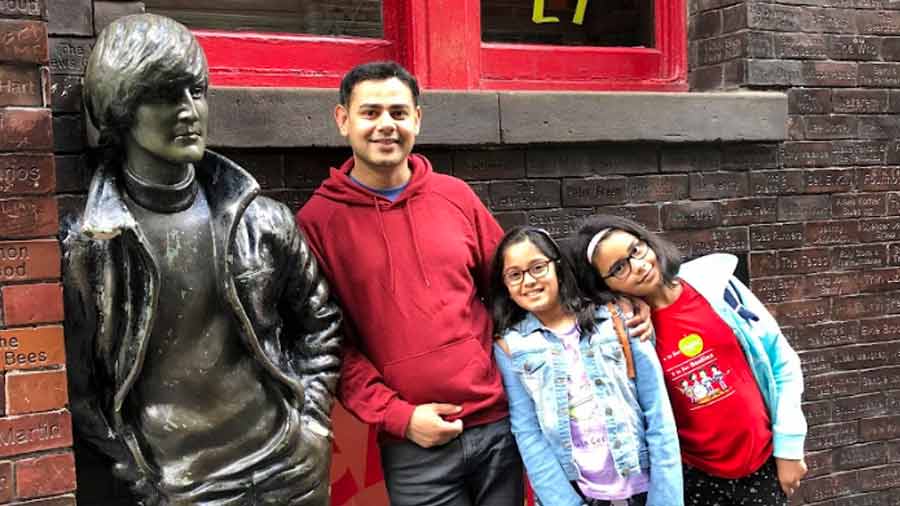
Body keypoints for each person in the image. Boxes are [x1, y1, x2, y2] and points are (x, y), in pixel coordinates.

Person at [63, 14, 342, 505]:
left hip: (289, 466)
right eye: (167, 95)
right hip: (185, 488)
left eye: (196, 91)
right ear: (121, 110)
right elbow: (84, 392)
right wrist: (140, 478)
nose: (190, 110)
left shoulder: (262, 221)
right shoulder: (91, 249)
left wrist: (313, 424)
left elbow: (321, 323)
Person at [572, 215, 808, 506]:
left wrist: (789, 446)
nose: (639, 265)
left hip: (762, 463)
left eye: (636, 249)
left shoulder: (719, 288)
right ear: (603, 284)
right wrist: (613, 308)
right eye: (619, 268)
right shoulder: (624, 329)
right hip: (690, 479)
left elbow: (781, 362)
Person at [489, 226, 683, 506]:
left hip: (644, 486)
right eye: (515, 275)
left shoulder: (617, 317)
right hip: (579, 492)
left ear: (557, 267)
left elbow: (658, 412)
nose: (529, 281)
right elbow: (527, 432)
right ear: (505, 285)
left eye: (538, 267)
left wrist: (666, 498)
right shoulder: (510, 347)